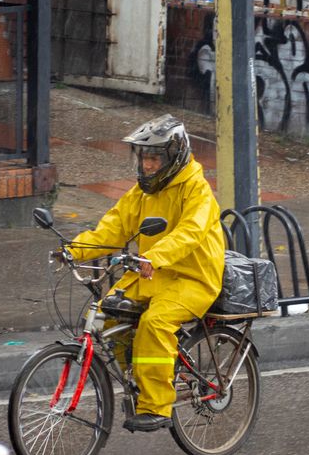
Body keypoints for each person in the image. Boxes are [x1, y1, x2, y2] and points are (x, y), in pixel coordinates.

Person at [64, 114, 225, 432]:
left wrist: (154, 256)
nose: (147, 165)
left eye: (154, 158)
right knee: (111, 310)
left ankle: (157, 406)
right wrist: (73, 250)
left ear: (174, 156)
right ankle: (139, 379)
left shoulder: (197, 190)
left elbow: (190, 232)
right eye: (144, 157)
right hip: (155, 272)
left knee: (154, 323)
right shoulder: (143, 193)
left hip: (195, 277)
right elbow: (112, 228)